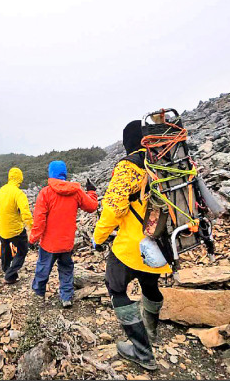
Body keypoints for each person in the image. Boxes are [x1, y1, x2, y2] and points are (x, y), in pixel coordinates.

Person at [93, 120, 171, 371]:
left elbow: (114, 208)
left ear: (128, 142)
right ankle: (151, 331)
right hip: (160, 244)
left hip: (132, 245)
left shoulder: (130, 167)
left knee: (116, 288)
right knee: (149, 284)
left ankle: (142, 350)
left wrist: (98, 236)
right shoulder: (162, 163)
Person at [29, 160, 98, 308]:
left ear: (50, 173)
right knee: (66, 268)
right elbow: (92, 207)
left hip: (49, 243)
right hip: (67, 242)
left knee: (43, 267)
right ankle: (66, 297)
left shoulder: (45, 193)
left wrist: (32, 238)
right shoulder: (76, 191)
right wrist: (92, 192)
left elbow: (39, 220)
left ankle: (39, 293)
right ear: (64, 174)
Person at [0, 167, 33, 284]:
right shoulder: (18, 193)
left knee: (6, 249)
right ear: (20, 178)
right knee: (22, 250)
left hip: (1, 227)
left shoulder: (2, 190)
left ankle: (7, 270)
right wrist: (31, 226)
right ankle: (10, 275)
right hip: (15, 229)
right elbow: (25, 212)